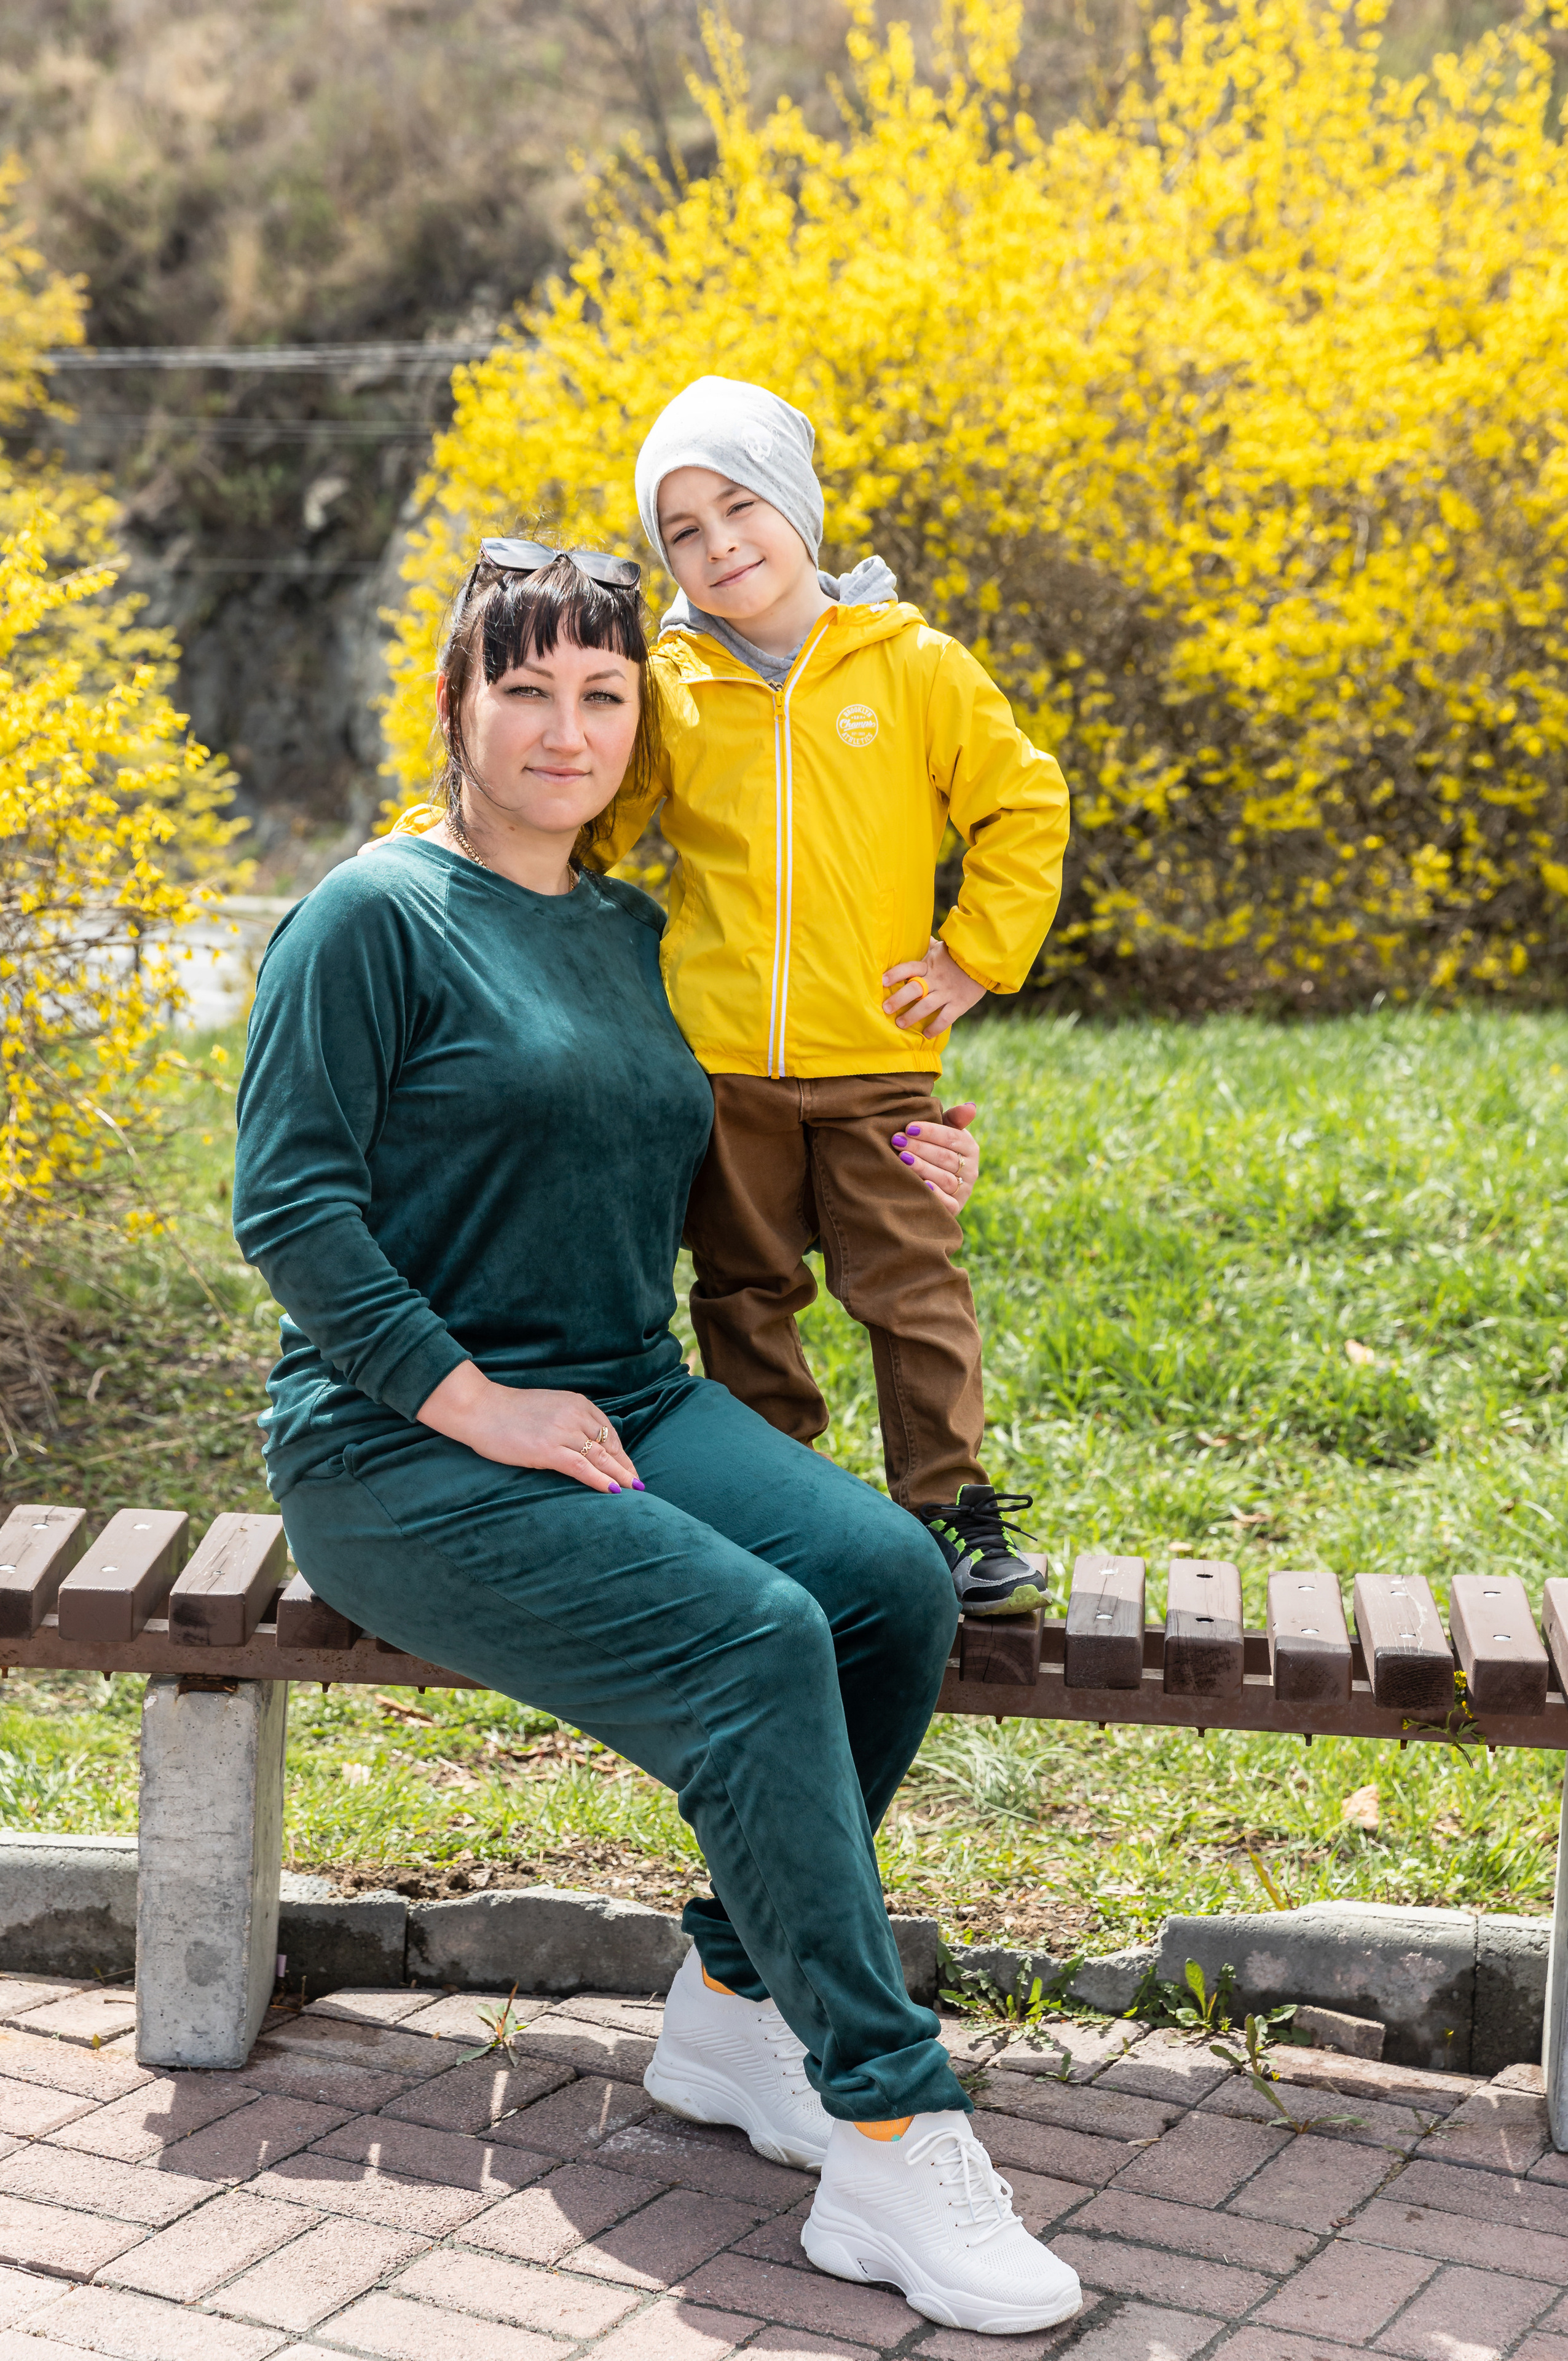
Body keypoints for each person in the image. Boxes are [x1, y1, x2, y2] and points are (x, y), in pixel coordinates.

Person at [234, 542, 1083, 2336]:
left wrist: (917, 1149)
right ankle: (887, 2122)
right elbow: (291, 1208)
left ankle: (726, 2009)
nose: (566, 727)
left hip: (619, 1395)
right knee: (754, 1638)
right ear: (454, 702)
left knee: (878, 1584)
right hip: (397, 1442)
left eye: (603, 693)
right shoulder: (371, 917)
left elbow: (752, 1139)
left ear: (644, 722)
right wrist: (473, 1401)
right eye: (524, 688)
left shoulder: (634, 932)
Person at [618, 377, 1069, 1613]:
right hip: (721, 1067)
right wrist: (443, 842)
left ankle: (950, 1511)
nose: (719, 546)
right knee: (743, 1296)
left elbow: (1022, 805)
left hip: (879, 1059)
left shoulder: (915, 668)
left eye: (737, 505)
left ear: (797, 505)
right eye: (683, 533)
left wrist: (973, 955)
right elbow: (586, 821)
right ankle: (785, 1513)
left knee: (910, 1287)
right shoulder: (667, 689)